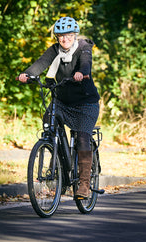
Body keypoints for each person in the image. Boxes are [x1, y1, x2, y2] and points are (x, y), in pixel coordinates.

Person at [18, 16, 100, 199]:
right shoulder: (55, 50)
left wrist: (82, 73)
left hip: (86, 103)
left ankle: (84, 185)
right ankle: (61, 165)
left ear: (75, 35)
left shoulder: (83, 47)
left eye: (69, 36)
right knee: (49, 120)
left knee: (82, 138)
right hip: (62, 101)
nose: (65, 40)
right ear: (57, 37)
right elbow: (41, 63)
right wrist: (27, 74)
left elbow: (86, 63)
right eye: (61, 36)